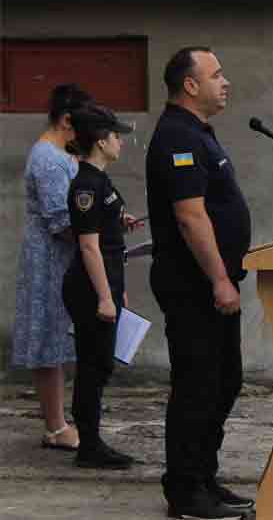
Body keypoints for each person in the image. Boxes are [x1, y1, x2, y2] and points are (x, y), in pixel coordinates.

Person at [146, 47, 253, 520]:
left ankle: (203, 476)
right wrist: (219, 279)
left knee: (224, 381)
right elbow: (191, 218)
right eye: (216, 74)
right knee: (197, 385)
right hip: (195, 287)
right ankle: (185, 493)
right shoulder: (176, 137)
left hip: (214, 285)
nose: (225, 82)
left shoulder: (198, 134)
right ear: (190, 85)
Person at [12, 84, 92, 452]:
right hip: (48, 260)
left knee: (59, 342)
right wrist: (97, 235)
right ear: (66, 120)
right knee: (47, 342)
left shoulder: (62, 153)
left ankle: (60, 421)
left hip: (61, 259)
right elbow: (61, 220)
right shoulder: (48, 158)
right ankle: (56, 426)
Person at [63, 104, 142, 468]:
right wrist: (105, 297)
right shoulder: (86, 186)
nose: (120, 142)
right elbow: (87, 245)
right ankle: (89, 446)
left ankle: (91, 441)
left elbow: (101, 230)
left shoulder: (100, 180)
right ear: (99, 141)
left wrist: (118, 219)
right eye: (115, 136)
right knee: (93, 366)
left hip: (106, 280)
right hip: (91, 288)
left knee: (100, 365)